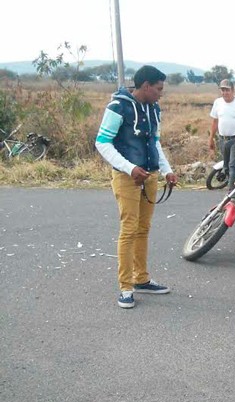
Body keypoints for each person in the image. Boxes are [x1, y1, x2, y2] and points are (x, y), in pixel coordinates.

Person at [94, 65, 177, 309]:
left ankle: (141, 279)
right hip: (127, 178)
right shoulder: (118, 107)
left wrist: (167, 169)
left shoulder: (154, 109)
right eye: (158, 89)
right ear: (146, 86)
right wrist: (129, 168)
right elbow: (102, 142)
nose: (161, 93)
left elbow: (155, 142)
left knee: (143, 229)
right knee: (129, 230)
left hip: (149, 176)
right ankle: (126, 286)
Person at [208, 79, 235, 190]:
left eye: (227, 90)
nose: (225, 93)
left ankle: (232, 192)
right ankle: (231, 183)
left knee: (233, 165)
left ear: (232, 90)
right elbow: (215, 121)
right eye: (223, 90)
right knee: (226, 164)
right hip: (222, 139)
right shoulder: (218, 102)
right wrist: (211, 138)